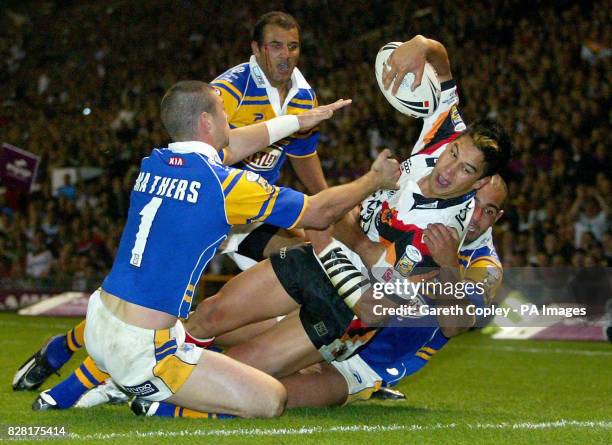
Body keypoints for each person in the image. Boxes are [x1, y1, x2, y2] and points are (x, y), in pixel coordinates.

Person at [19, 80, 401, 419]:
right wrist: (373, 179)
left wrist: (297, 122)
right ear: (206, 122)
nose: (229, 124)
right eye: (222, 114)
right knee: (271, 399)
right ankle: (157, 403)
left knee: (174, 326)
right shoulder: (224, 186)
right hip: (142, 347)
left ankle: (67, 390)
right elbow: (318, 213)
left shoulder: (153, 163)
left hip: (99, 318)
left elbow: (230, 147)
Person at [278, 176, 507, 407]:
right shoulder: (419, 207)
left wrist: (449, 266)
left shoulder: (485, 266)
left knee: (277, 394)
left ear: (497, 217)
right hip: (322, 318)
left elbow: (454, 325)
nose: (476, 217)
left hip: (367, 363)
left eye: (488, 211)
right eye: (474, 202)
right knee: (248, 350)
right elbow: (339, 226)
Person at [211, 11, 330, 270]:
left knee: (310, 262)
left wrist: (327, 198)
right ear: (256, 49)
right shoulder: (229, 90)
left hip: (252, 215)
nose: (285, 54)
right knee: (163, 303)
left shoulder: (305, 97)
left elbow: (302, 153)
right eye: (275, 46)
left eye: (293, 46)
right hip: (210, 212)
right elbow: (197, 146)